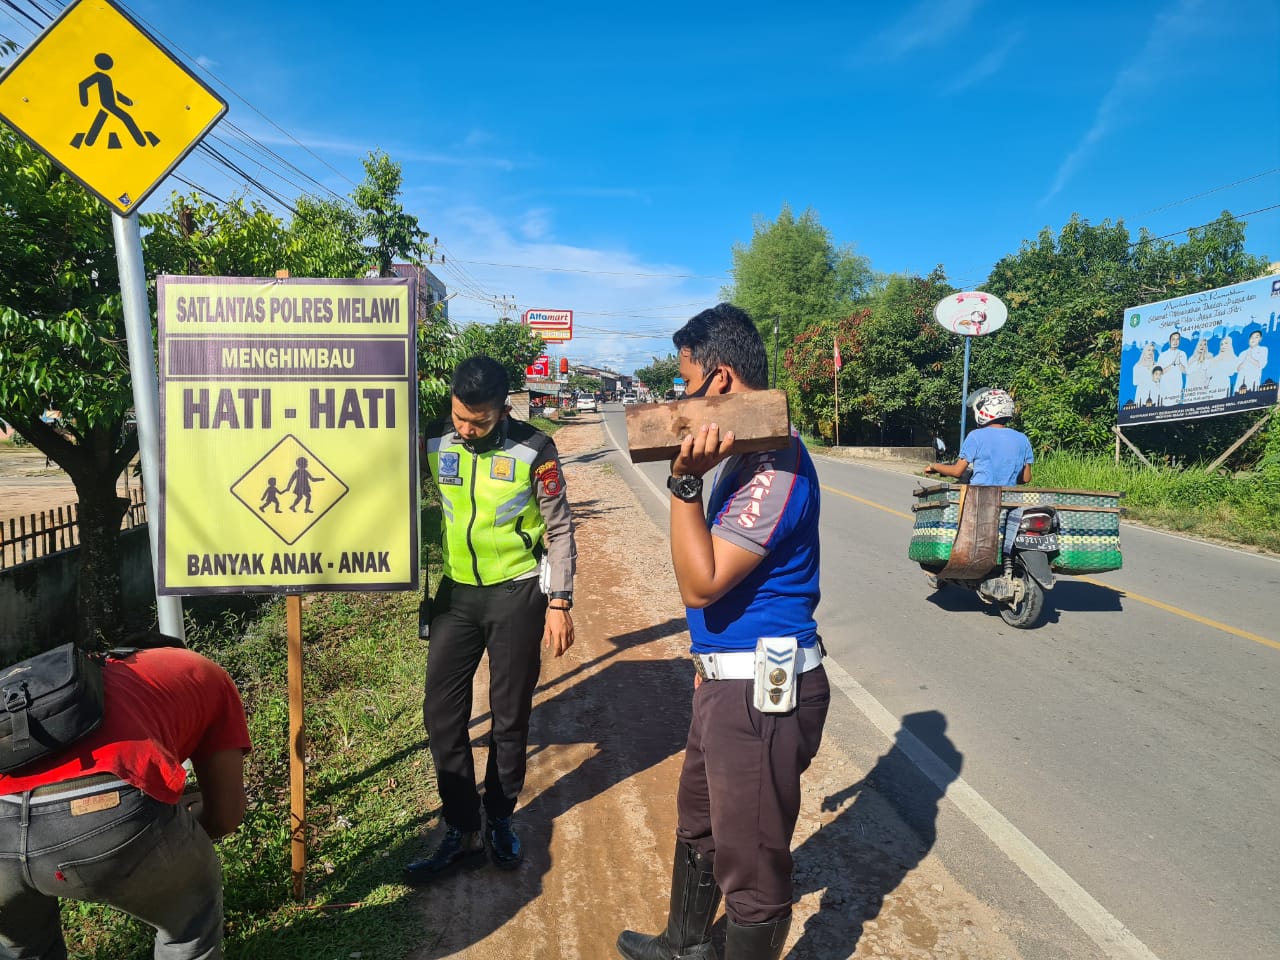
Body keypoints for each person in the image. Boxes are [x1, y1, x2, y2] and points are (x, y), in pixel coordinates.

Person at [616, 304, 829, 960]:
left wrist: (683, 483)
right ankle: (683, 946)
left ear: (723, 382)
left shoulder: (777, 468)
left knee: (753, 871)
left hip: (760, 694)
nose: (680, 399)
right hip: (723, 684)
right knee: (701, 823)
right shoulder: (742, 458)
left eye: (685, 384)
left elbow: (701, 583)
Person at [405, 356, 577, 883]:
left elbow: (561, 528)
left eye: (477, 421)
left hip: (516, 594)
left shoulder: (534, 449)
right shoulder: (436, 439)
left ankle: (499, 817)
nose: (466, 429)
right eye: (459, 417)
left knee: (508, 716)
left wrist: (560, 601)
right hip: (455, 595)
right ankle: (461, 828)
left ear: (503, 409)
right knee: (441, 715)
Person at [0, 635, 251, 960]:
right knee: (188, 925)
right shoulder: (198, 669)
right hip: (104, 807)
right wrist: (178, 829)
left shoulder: (85, 676)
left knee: (23, 949)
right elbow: (225, 815)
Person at [925, 388, 1033, 556]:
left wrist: (934, 466)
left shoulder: (976, 436)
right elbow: (1026, 478)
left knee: (953, 520)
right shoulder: (1022, 438)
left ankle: (954, 555)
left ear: (984, 410)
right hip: (1010, 500)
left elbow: (957, 471)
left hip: (980, 498)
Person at [1236, 328, 1268, 392]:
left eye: (1256, 337)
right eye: (1251, 337)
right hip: (1241, 380)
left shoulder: (1263, 349)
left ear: (1260, 339)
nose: (1253, 339)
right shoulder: (1243, 353)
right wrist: (1245, 359)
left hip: (1253, 379)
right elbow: (1238, 369)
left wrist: (1250, 358)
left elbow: (1261, 364)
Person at [1156, 332, 1187, 396]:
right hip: (1165, 386)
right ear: (1169, 341)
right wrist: (1173, 364)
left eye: (1177, 339)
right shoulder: (1162, 355)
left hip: (1177, 385)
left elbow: (1185, 371)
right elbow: (1159, 373)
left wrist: (1179, 364)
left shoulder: (1182, 353)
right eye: (1173, 339)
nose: (1175, 341)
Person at [1210, 334, 1237, 398]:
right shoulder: (1215, 358)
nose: (1223, 346)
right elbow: (1209, 373)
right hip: (1212, 383)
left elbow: (1232, 372)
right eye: (1221, 344)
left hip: (1224, 383)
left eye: (1226, 343)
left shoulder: (1234, 358)